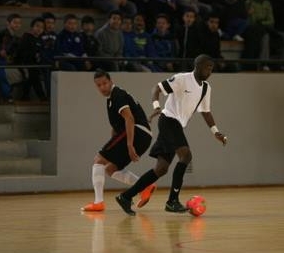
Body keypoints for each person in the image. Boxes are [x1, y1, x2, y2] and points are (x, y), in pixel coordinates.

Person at [115, 54, 227, 216]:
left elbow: (206, 112)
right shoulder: (182, 79)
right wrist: (156, 106)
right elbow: (157, 89)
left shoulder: (206, 88)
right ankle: (172, 201)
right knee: (186, 156)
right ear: (197, 65)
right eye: (207, 67)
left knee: (161, 169)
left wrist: (215, 132)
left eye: (211, 68)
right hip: (168, 120)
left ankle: (125, 197)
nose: (210, 70)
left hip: (176, 125)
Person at [81, 69, 156, 212]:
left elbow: (129, 118)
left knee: (98, 160)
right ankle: (145, 186)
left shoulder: (117, 95)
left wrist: (129, 145)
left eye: (104, 83)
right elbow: (117, 129)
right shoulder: (111, 99)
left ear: (111, 81)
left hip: (138, 132)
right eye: (99, 85)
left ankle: (99, 203)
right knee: (110, 169)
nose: (102, 87)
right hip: (143, 135)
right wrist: (112, 147)